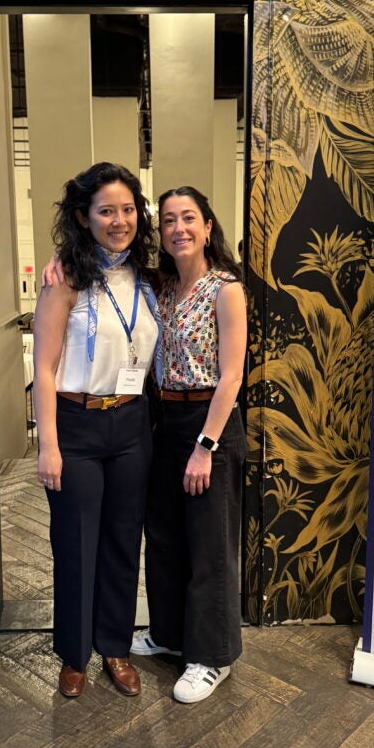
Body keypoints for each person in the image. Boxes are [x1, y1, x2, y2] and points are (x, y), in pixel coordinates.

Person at [32, 162, 160, 698]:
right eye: (106, 210)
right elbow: (42, 365)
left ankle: (114, 646)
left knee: (122, 541)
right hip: (78, 423)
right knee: (76, 543)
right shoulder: (66, 279)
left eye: (128, 209)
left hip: (131, 423)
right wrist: (48, 445)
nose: (119, 220)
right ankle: (74, 653)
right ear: (84, 218)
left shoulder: (151, 277)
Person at [131, 186, 247, 704]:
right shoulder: (161, 288)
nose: (178, 227)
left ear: (206, 227)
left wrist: (206, 446)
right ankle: (169, 634)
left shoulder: (226, 289)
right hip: (165, 418)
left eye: (189, 218)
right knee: (165, 537)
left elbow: (232, 375)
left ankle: (211, 656)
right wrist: (54, 263)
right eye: (170, 220)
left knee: (209, 545)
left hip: (208, 422)